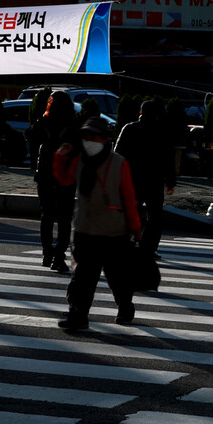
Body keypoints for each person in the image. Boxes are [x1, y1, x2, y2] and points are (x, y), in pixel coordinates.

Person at [53, 117, 143, 331]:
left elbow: (129, 198)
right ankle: (78, 315)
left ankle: (125, 307)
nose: (89, 140)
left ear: (105, 139)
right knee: (83, 277)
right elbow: (65, 180)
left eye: (94, 136)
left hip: (114, 232)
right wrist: (59, 157)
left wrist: (135, 227)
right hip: (86, 229)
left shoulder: (119, 163)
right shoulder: (80, 159)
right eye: (86, 136)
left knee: (117, 277)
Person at [115, 99, 176, 259]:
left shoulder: (129, 128)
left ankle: (125, 243)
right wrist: (170, 181)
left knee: (129, 211)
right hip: (154, 180)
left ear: (141, 112)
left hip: (132, 179)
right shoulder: (162, 131)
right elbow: (168, 159)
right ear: (157, 115)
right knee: (154, 217)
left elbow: (118, 154)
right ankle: (149, 248)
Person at [30, 91, 77, 273]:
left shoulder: (41, 123)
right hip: (66, 177)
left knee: (47, 215)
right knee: (64, 218)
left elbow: (32, 144)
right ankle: (59, 256)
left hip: (44, 176)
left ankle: (47, 254)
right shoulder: (73, 125)